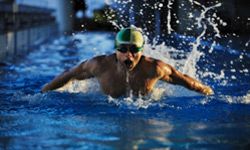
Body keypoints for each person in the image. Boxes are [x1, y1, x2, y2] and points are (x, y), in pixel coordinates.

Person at [42, 27, 213, 98]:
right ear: (116, 49)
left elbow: (185, 80)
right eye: (123, 50)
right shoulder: (99, 65)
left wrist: (207, 92)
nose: (128, 56)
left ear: (141, 50)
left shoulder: (155, 68)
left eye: (134, 50)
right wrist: (43, 93)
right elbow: (69, 74)